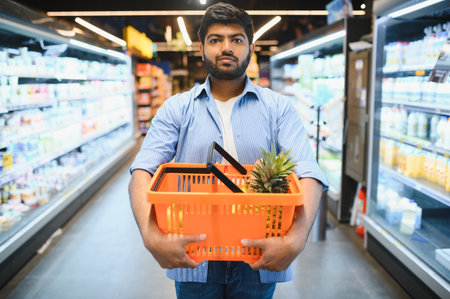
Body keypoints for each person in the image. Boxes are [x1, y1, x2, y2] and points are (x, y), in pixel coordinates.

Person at [128, 2, 328, 298]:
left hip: (259, 252)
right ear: (201, 48)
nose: (226, 47)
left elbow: (308, 173)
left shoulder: (278, 108)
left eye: (236, 39)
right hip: (193, 253)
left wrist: (297, 239)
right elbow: (142, 170)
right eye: (215, 39)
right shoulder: (177, 109)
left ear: (250, 47)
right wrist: (150, 234)